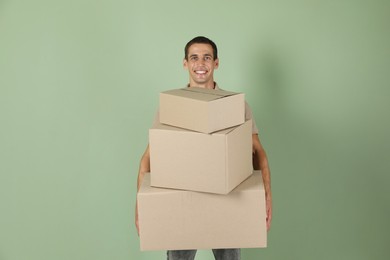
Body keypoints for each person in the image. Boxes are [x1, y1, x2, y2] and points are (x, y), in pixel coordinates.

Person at [135, 36, 272, 260]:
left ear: (216, 63)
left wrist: (266, 198)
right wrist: (140, 205)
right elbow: (147, 159)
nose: (201, 64)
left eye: (207, 58)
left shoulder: (236, 105)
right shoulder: (171, 106)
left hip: (230, 197)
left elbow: (259, 153)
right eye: (194, 58)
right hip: (182, 199)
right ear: (185, 63)